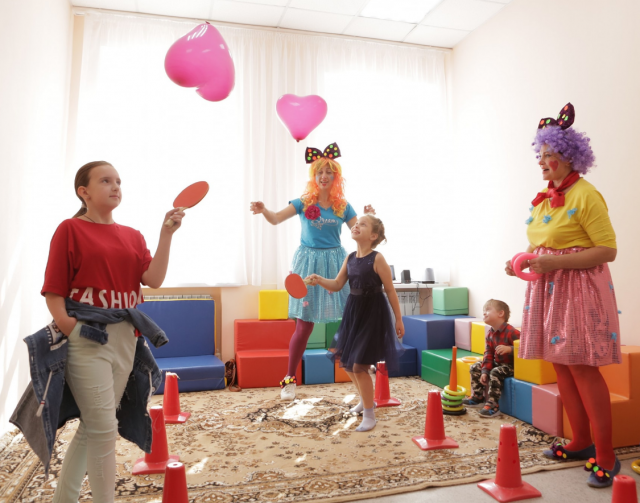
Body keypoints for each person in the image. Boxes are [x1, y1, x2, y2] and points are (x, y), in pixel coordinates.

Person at [43, 161, 185, 503]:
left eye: (118, 181)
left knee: (94, 426)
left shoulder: (133, 235)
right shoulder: (70, 229)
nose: (115, 186)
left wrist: (166, 234)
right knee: (104, 428)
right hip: (88, 337)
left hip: (126, 339)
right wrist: (73, 329)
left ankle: (64, 499)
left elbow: (153, 279)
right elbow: (54, 291)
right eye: (105, 181)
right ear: (84, 192)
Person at [506, 103, 620, 488]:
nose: (541, 161)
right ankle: (581, 442)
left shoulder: (587, 195)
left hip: (579, 290)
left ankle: (606, 455)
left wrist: (553, 263)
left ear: (569, 156)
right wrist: (521, 260)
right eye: (539, 155)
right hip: (548, 288)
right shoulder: (545, 195)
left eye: (548, 155)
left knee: (583, 368)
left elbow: (607, 250)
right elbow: (542, 241)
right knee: (561, 367)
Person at [250, 143, 373, 401]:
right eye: (319, 172)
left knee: (351, 318)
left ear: (336, 177)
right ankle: (289, 379)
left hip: (336, 263)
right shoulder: (304, 202)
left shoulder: (343, 206)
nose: (324, 176)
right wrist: (264, 211)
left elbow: (359, 233)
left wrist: (367, 219)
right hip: (308, 264)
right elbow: (276, 218)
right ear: (314, 176)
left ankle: (362, 367)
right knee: (304, 328)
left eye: (329, 172)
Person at [307, 214, 405, 432]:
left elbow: (390, 290)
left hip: (373, 314)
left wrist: (398, 319)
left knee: (359, 366)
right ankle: (365, 400)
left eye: (363, 224)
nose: (356, 225)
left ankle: (369, 415)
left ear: (373, 236)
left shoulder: (377, 258)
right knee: (348, 363)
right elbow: (337, 284)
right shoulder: (350, 258)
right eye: (356, 223)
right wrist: (319, 279)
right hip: (354, 312)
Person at [462, 299, 519, 418]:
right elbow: (488, 354)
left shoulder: (512, 332)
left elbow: (525, 348)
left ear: (500, 313)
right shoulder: (490, 333)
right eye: (483, 310)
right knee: (476, 366)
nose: (484, 313)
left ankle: (493, 404)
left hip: (512, 366)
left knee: (495, 371)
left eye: (487, 310)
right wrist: (484, 371)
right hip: (498, 363)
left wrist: (510, 349)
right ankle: (478, 397)